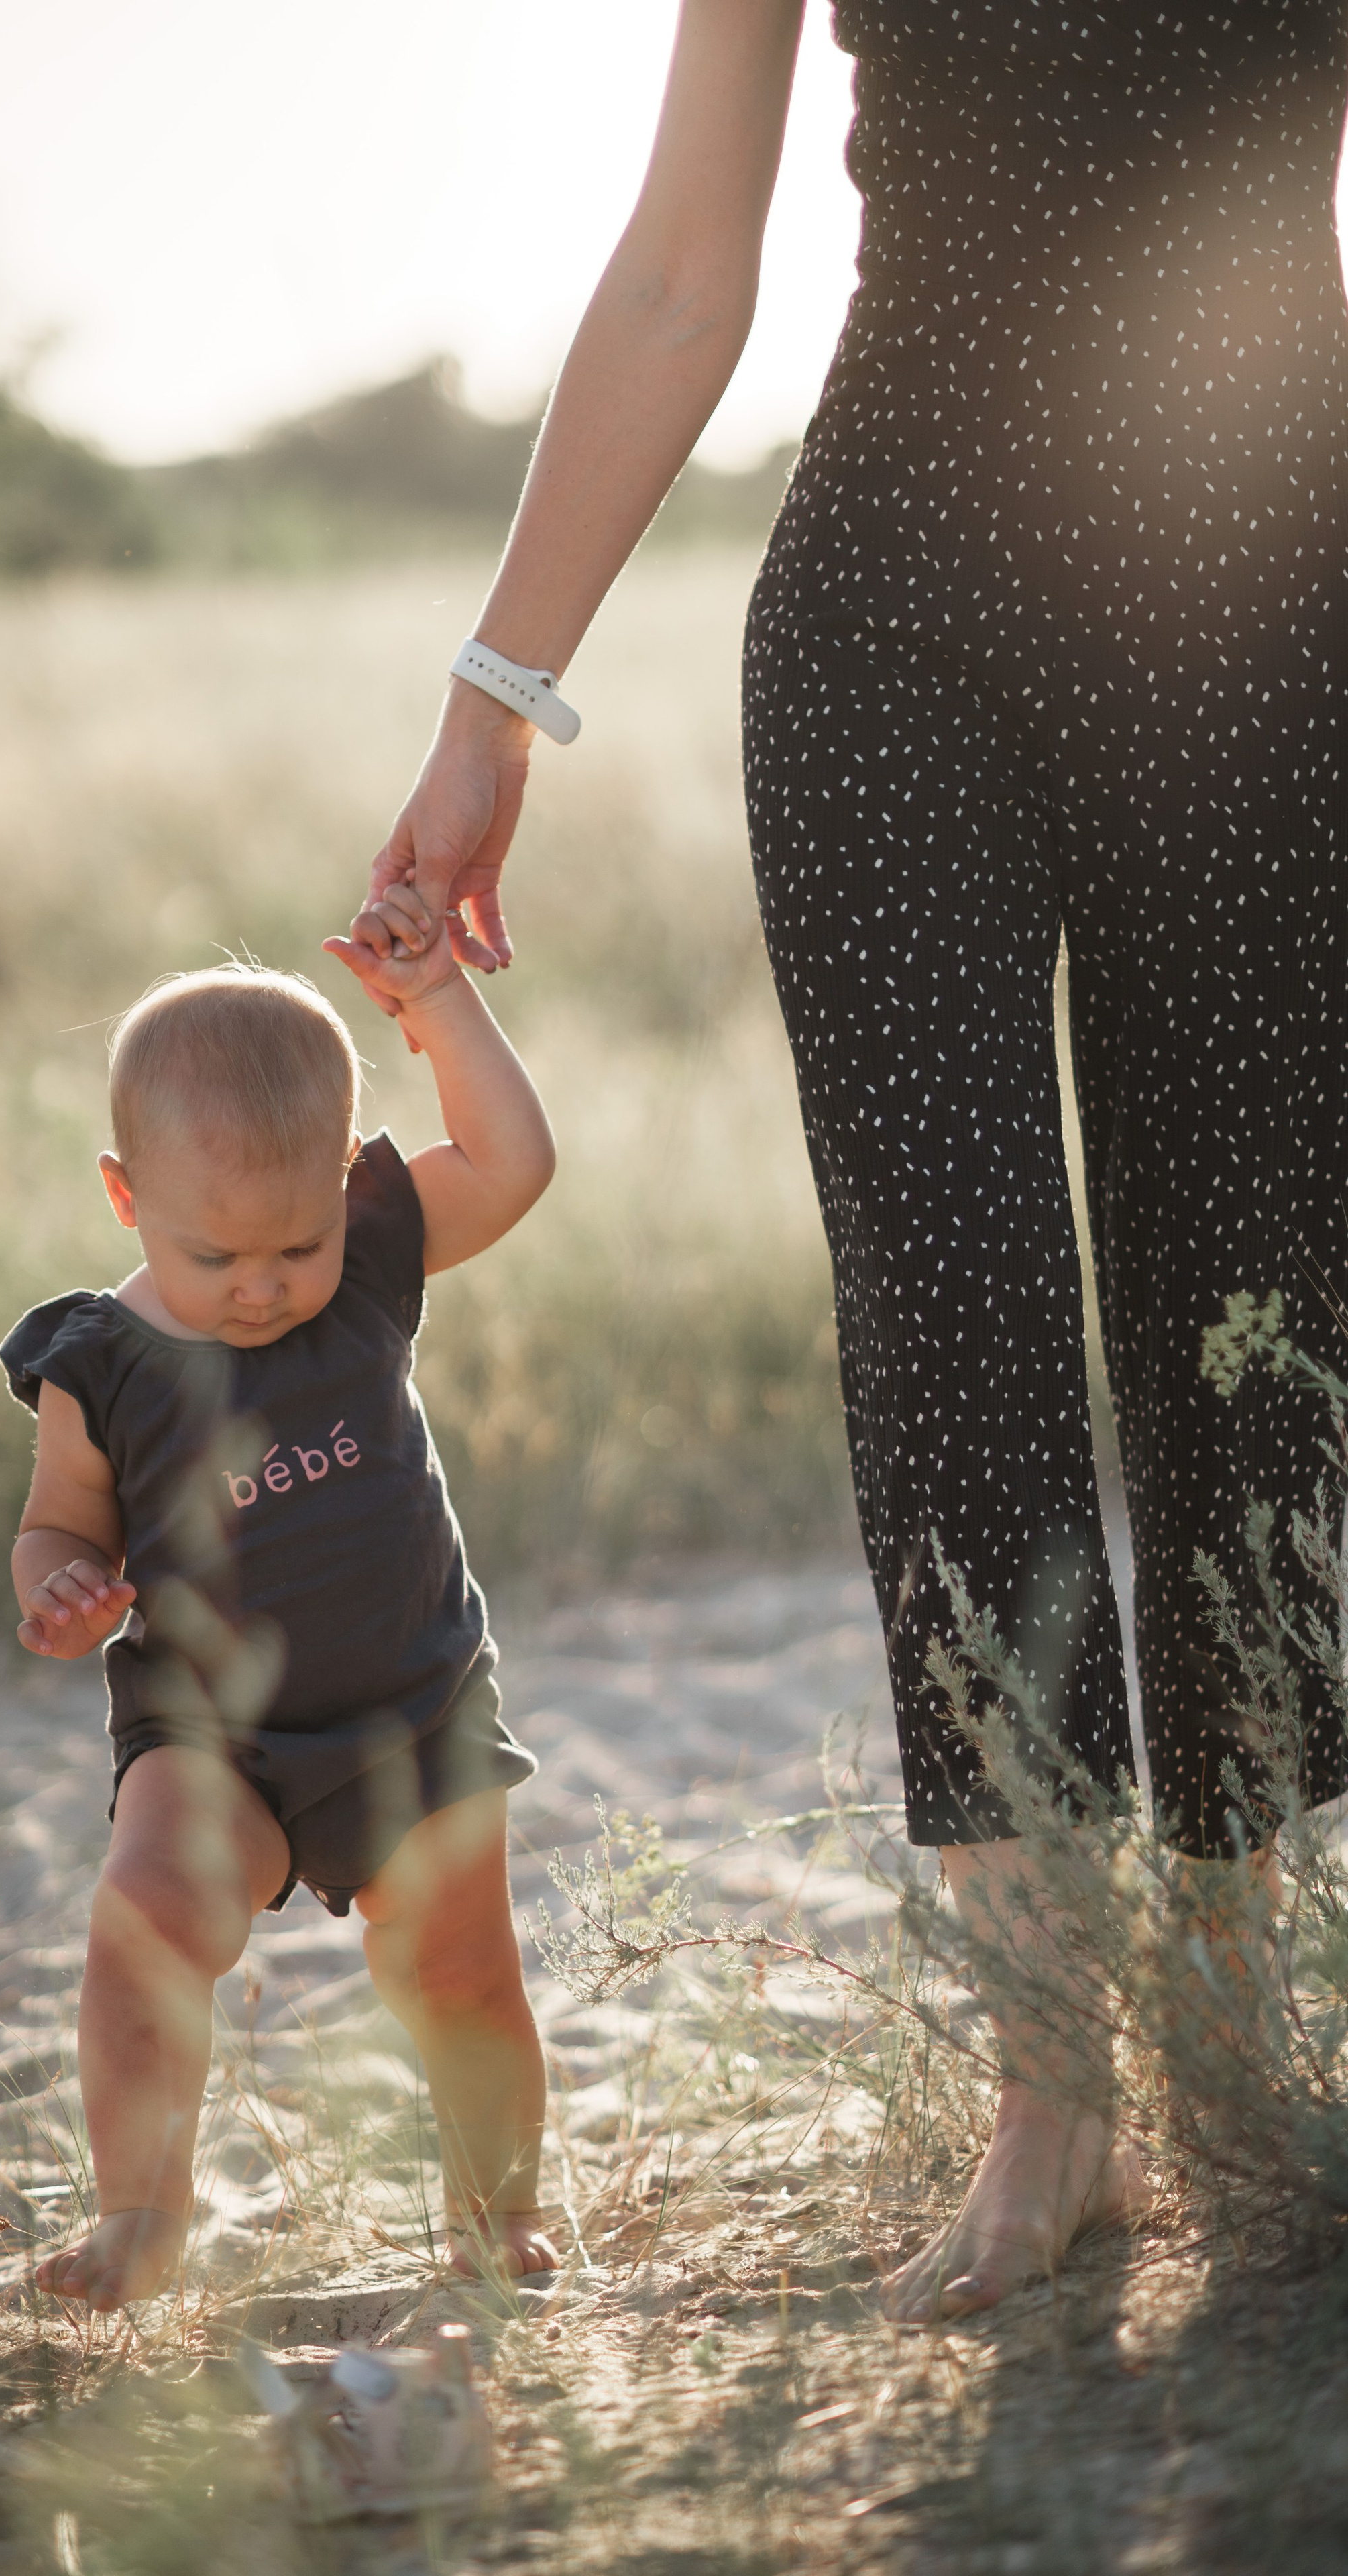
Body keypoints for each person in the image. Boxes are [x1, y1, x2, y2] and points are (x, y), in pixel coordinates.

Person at [347, 0, 1348, 2320]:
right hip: (902, 619)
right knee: (954, 1322)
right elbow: (694, 263)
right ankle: (1052, 2106)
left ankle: (1232, 2054)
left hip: (1268, 592)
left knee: (1251, 1316)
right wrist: (494, 706)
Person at [0, 933, 557, 2310]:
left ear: (344, 1178)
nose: (261, 1284)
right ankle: (138, 2210)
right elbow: (57, 1523)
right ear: (126, 1199)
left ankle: (495, 2220)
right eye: (214, 1254)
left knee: (465, 1973)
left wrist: (434, 1002)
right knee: (144, 1919)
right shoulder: (98, 1371)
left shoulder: (364, 1266)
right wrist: (55, 1585)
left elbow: (510, 1165)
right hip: (212, 1733)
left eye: (294, 1243)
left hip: (414, 1707)